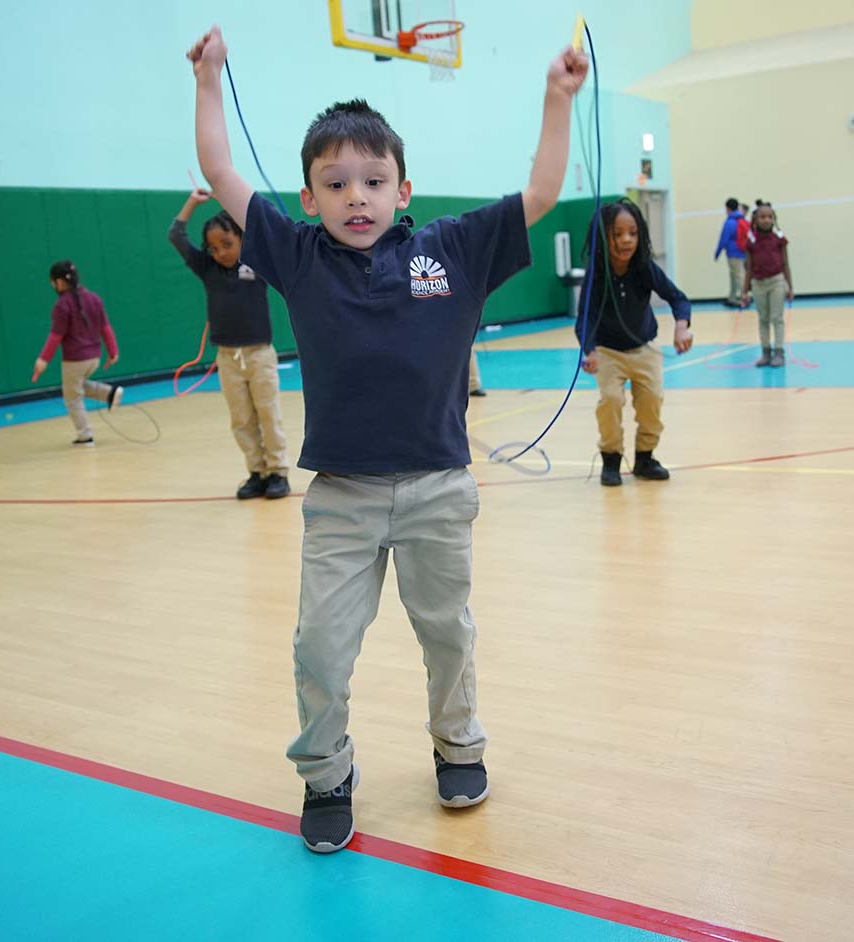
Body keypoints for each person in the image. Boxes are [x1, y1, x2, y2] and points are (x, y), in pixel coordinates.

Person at [188, 24, 588, 853]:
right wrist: (208, 80)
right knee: (320, 647)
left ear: (404, 190)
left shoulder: (454, 248)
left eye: (373, 181)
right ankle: (326, 775)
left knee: (447, 632)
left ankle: (458, 745)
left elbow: (542, 192)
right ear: (308, 199)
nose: (356, 197)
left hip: (438, 487)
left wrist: (557, 97)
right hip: (342, 497)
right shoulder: (298, 257)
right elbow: (221, 172)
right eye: (335, 184)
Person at [168, 189, 290, 499]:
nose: (220, 252)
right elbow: (176, 235)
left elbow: (260, 230)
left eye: (227, 243)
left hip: (259, 355)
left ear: (241, 239)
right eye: (213, 248)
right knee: (241, 419)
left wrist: (227, 199)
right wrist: (192, 202)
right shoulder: (207, 268)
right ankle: (257, 472)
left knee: (268, 414)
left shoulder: (255, 264)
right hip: (227, 358)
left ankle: (278, 472)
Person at [578, 199, 693, 486]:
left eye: (633, 232)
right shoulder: (596, 274)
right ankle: (611, 460)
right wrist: (590, 350)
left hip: (644, 349)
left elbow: (677, 298)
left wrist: (681, 328)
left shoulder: (645, 268)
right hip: (607, 352)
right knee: (611, 400)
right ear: (603, 238)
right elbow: (584, 319)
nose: (626, 239)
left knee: (652, 400)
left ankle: (645, 458)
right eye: (617, 234)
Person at [32, 260, 123, 446]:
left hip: (75, 359)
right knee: (75, 386)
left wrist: (43, 359)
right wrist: (113, 351)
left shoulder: (62, 305)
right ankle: (109, 393)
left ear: (59, 282)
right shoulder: (94, 299)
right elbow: (106, 328)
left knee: (72, 397)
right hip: (94, 358)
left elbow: (55, 336)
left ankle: (85, 436)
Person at [742, 204, 793, 368]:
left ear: (774, 219)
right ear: (755, 220)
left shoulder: (779, 239)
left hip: (777, 282)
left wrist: (790, 286)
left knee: (777, 318)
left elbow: (785, 264)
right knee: (763, 318)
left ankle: (779, 352)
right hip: (758, 284)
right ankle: (766, 352)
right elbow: (748, 268)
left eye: (770, 217)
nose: (766, 220)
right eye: (762, 217)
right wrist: (744, 291)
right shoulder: (751, 242)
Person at [713, 197, 746, 308]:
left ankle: (744, 298)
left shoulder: (730, 222)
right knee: (734, 275)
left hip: (733, 253)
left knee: (738, 275)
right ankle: (732, 298)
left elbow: (724, 239)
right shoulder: (742, 219)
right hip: (743, 252)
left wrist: (717, 253)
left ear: (727, 208)